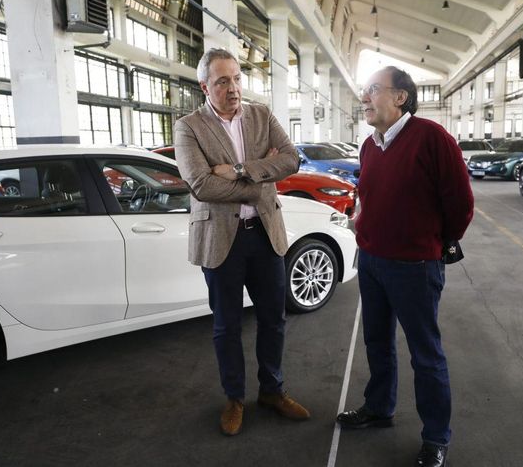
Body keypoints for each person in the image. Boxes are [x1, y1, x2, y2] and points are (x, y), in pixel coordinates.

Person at [336, 66, 473, 467]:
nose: (365, 97)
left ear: (400, 97)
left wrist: (432, 242)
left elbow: (460, 205)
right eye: (364, 91)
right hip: (374, 262)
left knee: (425, 354)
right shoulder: (368, 144)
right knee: (376, 343)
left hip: (415, 266)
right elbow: (369, 195)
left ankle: (436, 437)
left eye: (373, 90)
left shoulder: (432, 139)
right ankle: (379, 408)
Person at [174, 48, 310, 436]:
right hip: (222, 240)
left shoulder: (261, 115)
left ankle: (272, 391)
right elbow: (201, 185)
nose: (233, 88)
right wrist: (258, 188)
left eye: (236, 78)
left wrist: (237, 170)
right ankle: (234, 398)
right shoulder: (189, 127)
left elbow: (291, 160)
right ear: (205, 86)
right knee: (226, 326)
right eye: (222, 81)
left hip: (265, 237)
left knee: (273, 319)